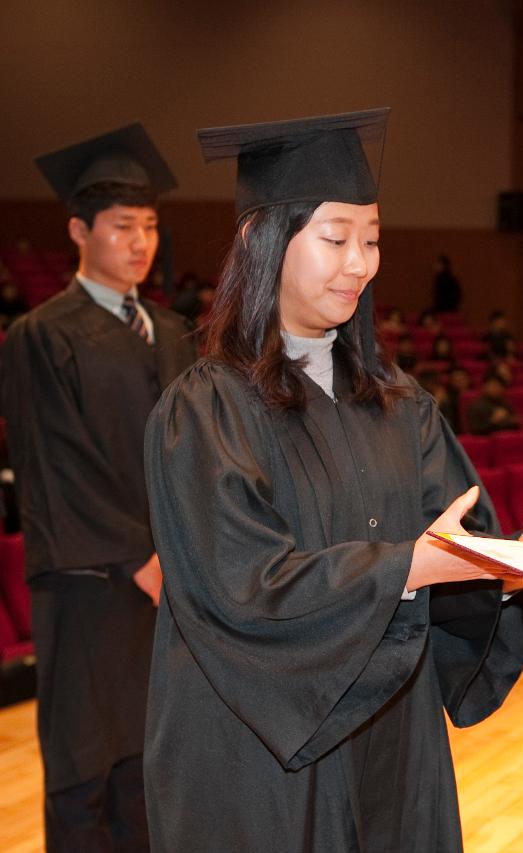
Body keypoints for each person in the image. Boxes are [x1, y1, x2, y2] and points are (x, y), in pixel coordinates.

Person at [144, 108, 523, 850]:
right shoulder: (207, 410)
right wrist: (408, 568)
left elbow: (454, 543)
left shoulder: (397, 403)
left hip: (393, 741)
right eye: (336, 238)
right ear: (259, 239)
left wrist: (506, 573)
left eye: (372, 240)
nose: (360, 264)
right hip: (264, 759)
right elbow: (245, 586)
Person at [0, 123, 196, 850]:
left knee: (151, 764)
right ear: (80, 230)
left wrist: (188, 550)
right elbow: (55, 462)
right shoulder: (41, 334)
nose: (140, 242)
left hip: (167, 583)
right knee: (87, 770)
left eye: (149, 226)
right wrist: (141, 555)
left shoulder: (173, 332)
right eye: (122, 227)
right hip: (90, 585)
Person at [467, 369, 521, 435]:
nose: (495, 389)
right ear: (484, 387)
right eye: (492, 386)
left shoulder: (505, 403)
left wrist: (510, 419)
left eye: (498, 386)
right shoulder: (476, 406)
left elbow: (515, 424)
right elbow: (475, 430)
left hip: (505, 438)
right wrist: (493, 422)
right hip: (486, 441)